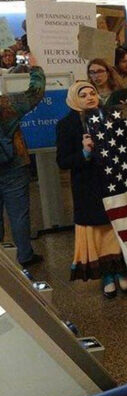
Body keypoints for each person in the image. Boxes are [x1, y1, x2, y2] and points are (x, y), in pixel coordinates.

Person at [56, 81, 127, 298]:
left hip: (112, 182)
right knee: (98, 231)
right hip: (87, 187)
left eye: (93, 93)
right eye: (84, 94)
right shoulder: (67, 125)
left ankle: (121, 270)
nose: (90, 97)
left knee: (115, 228)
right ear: (73, 99)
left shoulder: (109, 116)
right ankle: (107, 274)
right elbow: (63, 161)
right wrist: (84, 153)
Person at [0, 53, 44, 268]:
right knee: (19, 213)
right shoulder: (7, 104)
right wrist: (35, 69)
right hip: (14, 164)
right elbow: (35, 93)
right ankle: (25, 255)